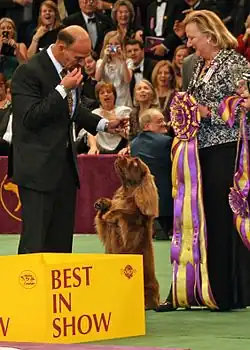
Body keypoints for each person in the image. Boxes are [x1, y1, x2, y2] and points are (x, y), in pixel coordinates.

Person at [156, 9, 250, 312]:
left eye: (193, 37)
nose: (189, 42)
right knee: (191, 217)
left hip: (226, 149)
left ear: (209, 35)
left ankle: (222, 291)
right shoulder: (195, 65)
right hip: (196, 151)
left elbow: (245, 103)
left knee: (219, 219)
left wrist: (209, 111)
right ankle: (186, 288)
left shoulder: (235, 63)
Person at [10, 25, 128, 254]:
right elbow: (30, 118)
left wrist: (105, 124)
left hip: (64, 168)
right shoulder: (28, 72)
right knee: (35, 241)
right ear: (62, 48)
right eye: (79, 57)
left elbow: (73, 110)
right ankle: (29, 289)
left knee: (61, 241)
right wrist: (62, 89)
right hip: (37, 171)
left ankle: (57, 290)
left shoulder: (70, 69)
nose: (83, 62)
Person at [130, 108, 173, 240]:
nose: (164, 123)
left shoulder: (134, 144)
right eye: (159, 121)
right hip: (167, 206)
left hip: (144, 204)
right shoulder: (167, 142)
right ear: (147, 126)